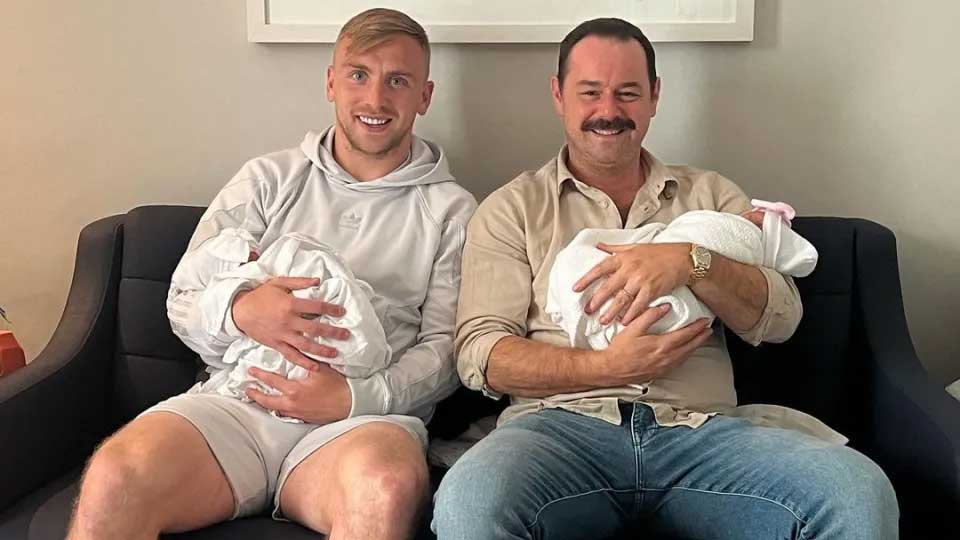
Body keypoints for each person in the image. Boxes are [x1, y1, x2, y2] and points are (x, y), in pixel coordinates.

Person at [434, 18, 898, 540]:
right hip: (557, 435)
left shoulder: (712, 197)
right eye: (590, 92)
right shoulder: (512, 210)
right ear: (558, 95)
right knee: (470, 503)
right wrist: (605, 366)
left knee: (857, 491)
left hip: (702, 437)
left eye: (627, 92)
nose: (608, 111)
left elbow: (782, 319)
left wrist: (692, 261)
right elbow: (482, 354)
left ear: (654, 96)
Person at [68, 8, 476, 540]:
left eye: (397, 81)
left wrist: (356, 399)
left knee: (383, 487)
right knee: (115, 476)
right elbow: (184, 297)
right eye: (358, 75)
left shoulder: (453, 211)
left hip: (359, 427)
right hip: (237, 406)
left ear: (423, 96)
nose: (375, 100)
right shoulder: (267, 180)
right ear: (332, 82)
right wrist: (241, 311)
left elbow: (448, 351)